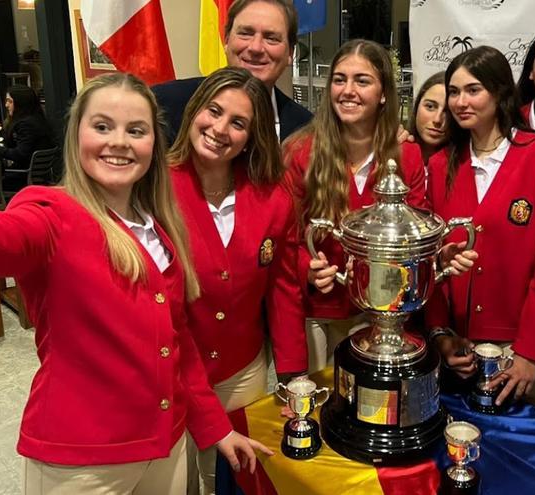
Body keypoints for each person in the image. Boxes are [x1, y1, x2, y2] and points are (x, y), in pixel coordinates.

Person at [0, 77, 273, 494]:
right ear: (75, 134)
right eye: (102, 127)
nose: (119, 142)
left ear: (154, 144)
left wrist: (214, 428)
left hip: (165, 447)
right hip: (84, 460)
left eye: (136, 130)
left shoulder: (158, 227)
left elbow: (178, 340)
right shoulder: (49, 212)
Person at [166, 67, 306, 494]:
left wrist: (292, 377)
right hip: (169, 375)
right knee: (180, 483)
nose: (220, 129)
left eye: (238, 122)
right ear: (194, 111)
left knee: (232, 481)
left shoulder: (273, 198)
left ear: (253, 135)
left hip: (241, 373)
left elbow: (283, 293)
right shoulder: (152, 188)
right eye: (213, 111)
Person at [425, 46, 535, 408]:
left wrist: (531, 352)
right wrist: (440, 334)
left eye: (473, 90)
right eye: (454, 92)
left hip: (514, 347)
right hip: (455, 345)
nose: (460, 101)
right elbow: (429, 258)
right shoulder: (442, 164)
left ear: (500, 92)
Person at [283, 39, 427, 373]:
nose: (348, 90)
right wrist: (307, 265)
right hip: (318, 311)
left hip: (383, 315)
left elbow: (414, 238)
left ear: (383, 94)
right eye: (339, 79)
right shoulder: (300, 153)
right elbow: (285, 235)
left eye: (362, 81)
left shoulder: (408, 155)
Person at [153, 0, 311, 144]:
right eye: (245, 33)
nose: (255, 48)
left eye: (271, 38)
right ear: (226, 40)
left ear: (290, 53)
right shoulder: (165, 105)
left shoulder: (307, 129)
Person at [0, 84, 56, 191]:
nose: (6, 105)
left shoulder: (25, 124)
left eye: (10, 101)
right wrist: (0, 132)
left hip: (22, 177)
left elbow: (20, 154)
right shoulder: (38, 119)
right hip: (39, 176)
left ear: (20, 102)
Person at [406, 71, 448, 182]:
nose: (437, 120)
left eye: (448, 112)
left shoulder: (466, 165)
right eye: (430, 106)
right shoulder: (397, 151)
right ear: (417, 105)